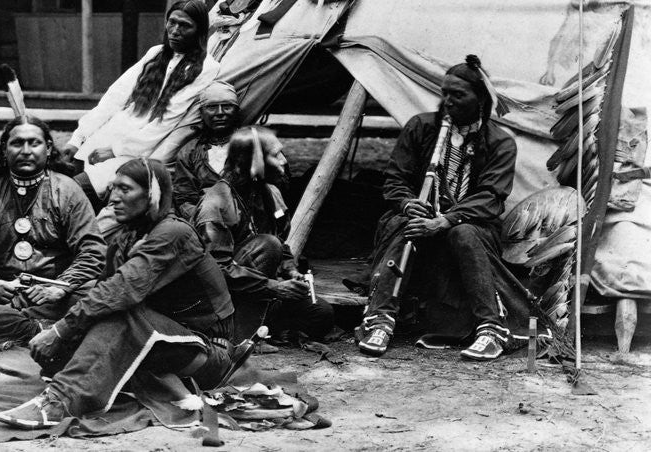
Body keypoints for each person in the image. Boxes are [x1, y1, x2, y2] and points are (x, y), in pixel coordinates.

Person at [0, 158, 235, 430]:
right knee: (84, 312)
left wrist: (61, 330)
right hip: (159, 340)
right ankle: (79, 382)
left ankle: (60, 401)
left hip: (209, 353)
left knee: (120, 312)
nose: (113, 199)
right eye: (113, 189)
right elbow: (100, 290)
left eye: (125, 189)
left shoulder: (174, 233)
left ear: (153, 194)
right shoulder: (128, 236)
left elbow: (120, 291)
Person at [356, 55, 525, 361]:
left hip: (472, 226)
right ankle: (379, 320)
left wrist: (446, 219)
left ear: (481, 100)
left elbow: (491, 197)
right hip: (418, 220)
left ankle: (492, 329)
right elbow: (395, 180)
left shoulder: (501, 143)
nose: (447, 101)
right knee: (404, 226)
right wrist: (409, 204)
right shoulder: (421, 127)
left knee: (464, 233)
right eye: (445, 93)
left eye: (458, 95)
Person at [0, 116, 106, 345]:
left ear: (48, 148)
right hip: (3, 295)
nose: (26, 151)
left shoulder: (68, 190)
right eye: (17, 143)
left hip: (53, 297)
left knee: (93, 290)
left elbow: (92, 251)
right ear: (5, 149)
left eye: (34, 143)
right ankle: (34, 331)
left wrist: (59, 288)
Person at [63, 0, 221, 208]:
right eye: (172, 22)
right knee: (63, 184)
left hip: (142, 146)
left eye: (184, 26)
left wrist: (115, 150)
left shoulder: (206, 67)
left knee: (80, 193)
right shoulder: (156, 53)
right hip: (111, 133)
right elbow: (115, 96)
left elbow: (166, 120)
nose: (174, 30)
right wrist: (78, 138)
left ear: (199, 30)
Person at [193, 127, 334, 346]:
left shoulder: (270, 194)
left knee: (322, 314)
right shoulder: (217, 202)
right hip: (220, 301)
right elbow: (216, 270)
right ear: (254, 160)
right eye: (276, 154)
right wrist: (274, 287)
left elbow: (281, 241)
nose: (284, 161)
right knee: (268, 245)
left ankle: (263, 326)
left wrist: (290, 270)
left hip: (259, 290)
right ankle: (234, 332)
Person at [172, 80, 242, 219]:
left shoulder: (253, 142)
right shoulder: (189, 152)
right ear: (201, 113)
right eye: (212, 107)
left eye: (227, 106)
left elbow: (277, 184)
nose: (220, 113)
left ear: (237, 111)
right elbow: (184, 198)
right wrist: (207, 217)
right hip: (207, 223)